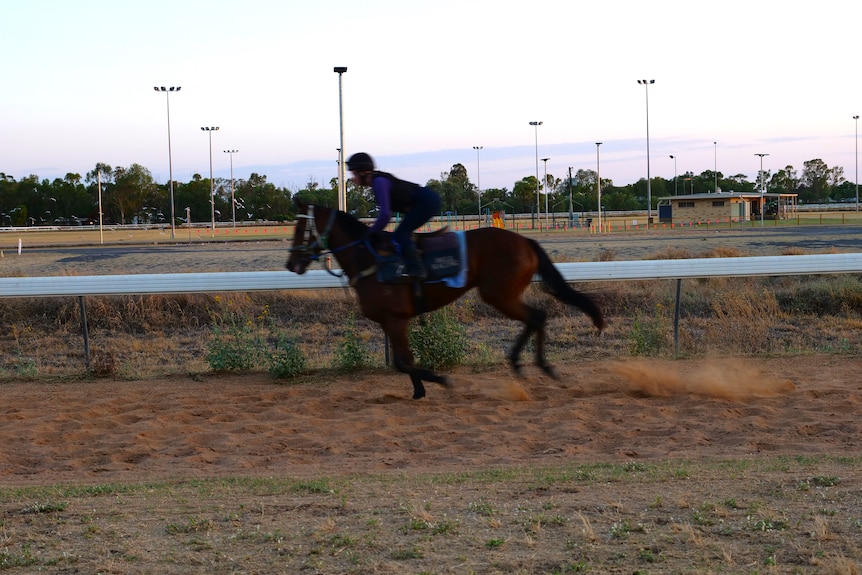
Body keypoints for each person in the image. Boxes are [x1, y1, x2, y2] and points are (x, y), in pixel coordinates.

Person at [346, 152, 441, 280]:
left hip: (427, 202)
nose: (353, 179)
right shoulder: (377, 181)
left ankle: (418, 269)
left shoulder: (379, 182)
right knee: (398, 235)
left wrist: (370, 232)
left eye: (354, 174)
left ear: (363, 172)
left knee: (401, 234)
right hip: (424, 201)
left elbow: (385, 215)